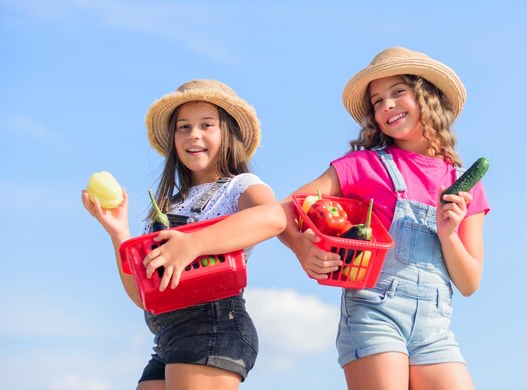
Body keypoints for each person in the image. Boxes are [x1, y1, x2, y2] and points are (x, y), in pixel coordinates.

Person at [278, 47, 490, 389]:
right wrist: (301, 249)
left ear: (427, 97)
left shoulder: (464, 186)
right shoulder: (363, 166)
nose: (387, 105)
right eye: (377, 101)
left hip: (435, 330)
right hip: (373, 314)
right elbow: (286, 208)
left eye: (397, 93)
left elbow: (469, 283)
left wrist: (448, 234)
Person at [82, 79, 286, 389]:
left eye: (207, 125)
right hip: (167, 336)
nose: (194, 134)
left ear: (228, 133)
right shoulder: (166, 208)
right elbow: (144, 297)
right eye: (183, 127)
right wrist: (119, 234)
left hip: (213, 326)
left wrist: (193, 243)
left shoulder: (240, 186)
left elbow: (273, 217)